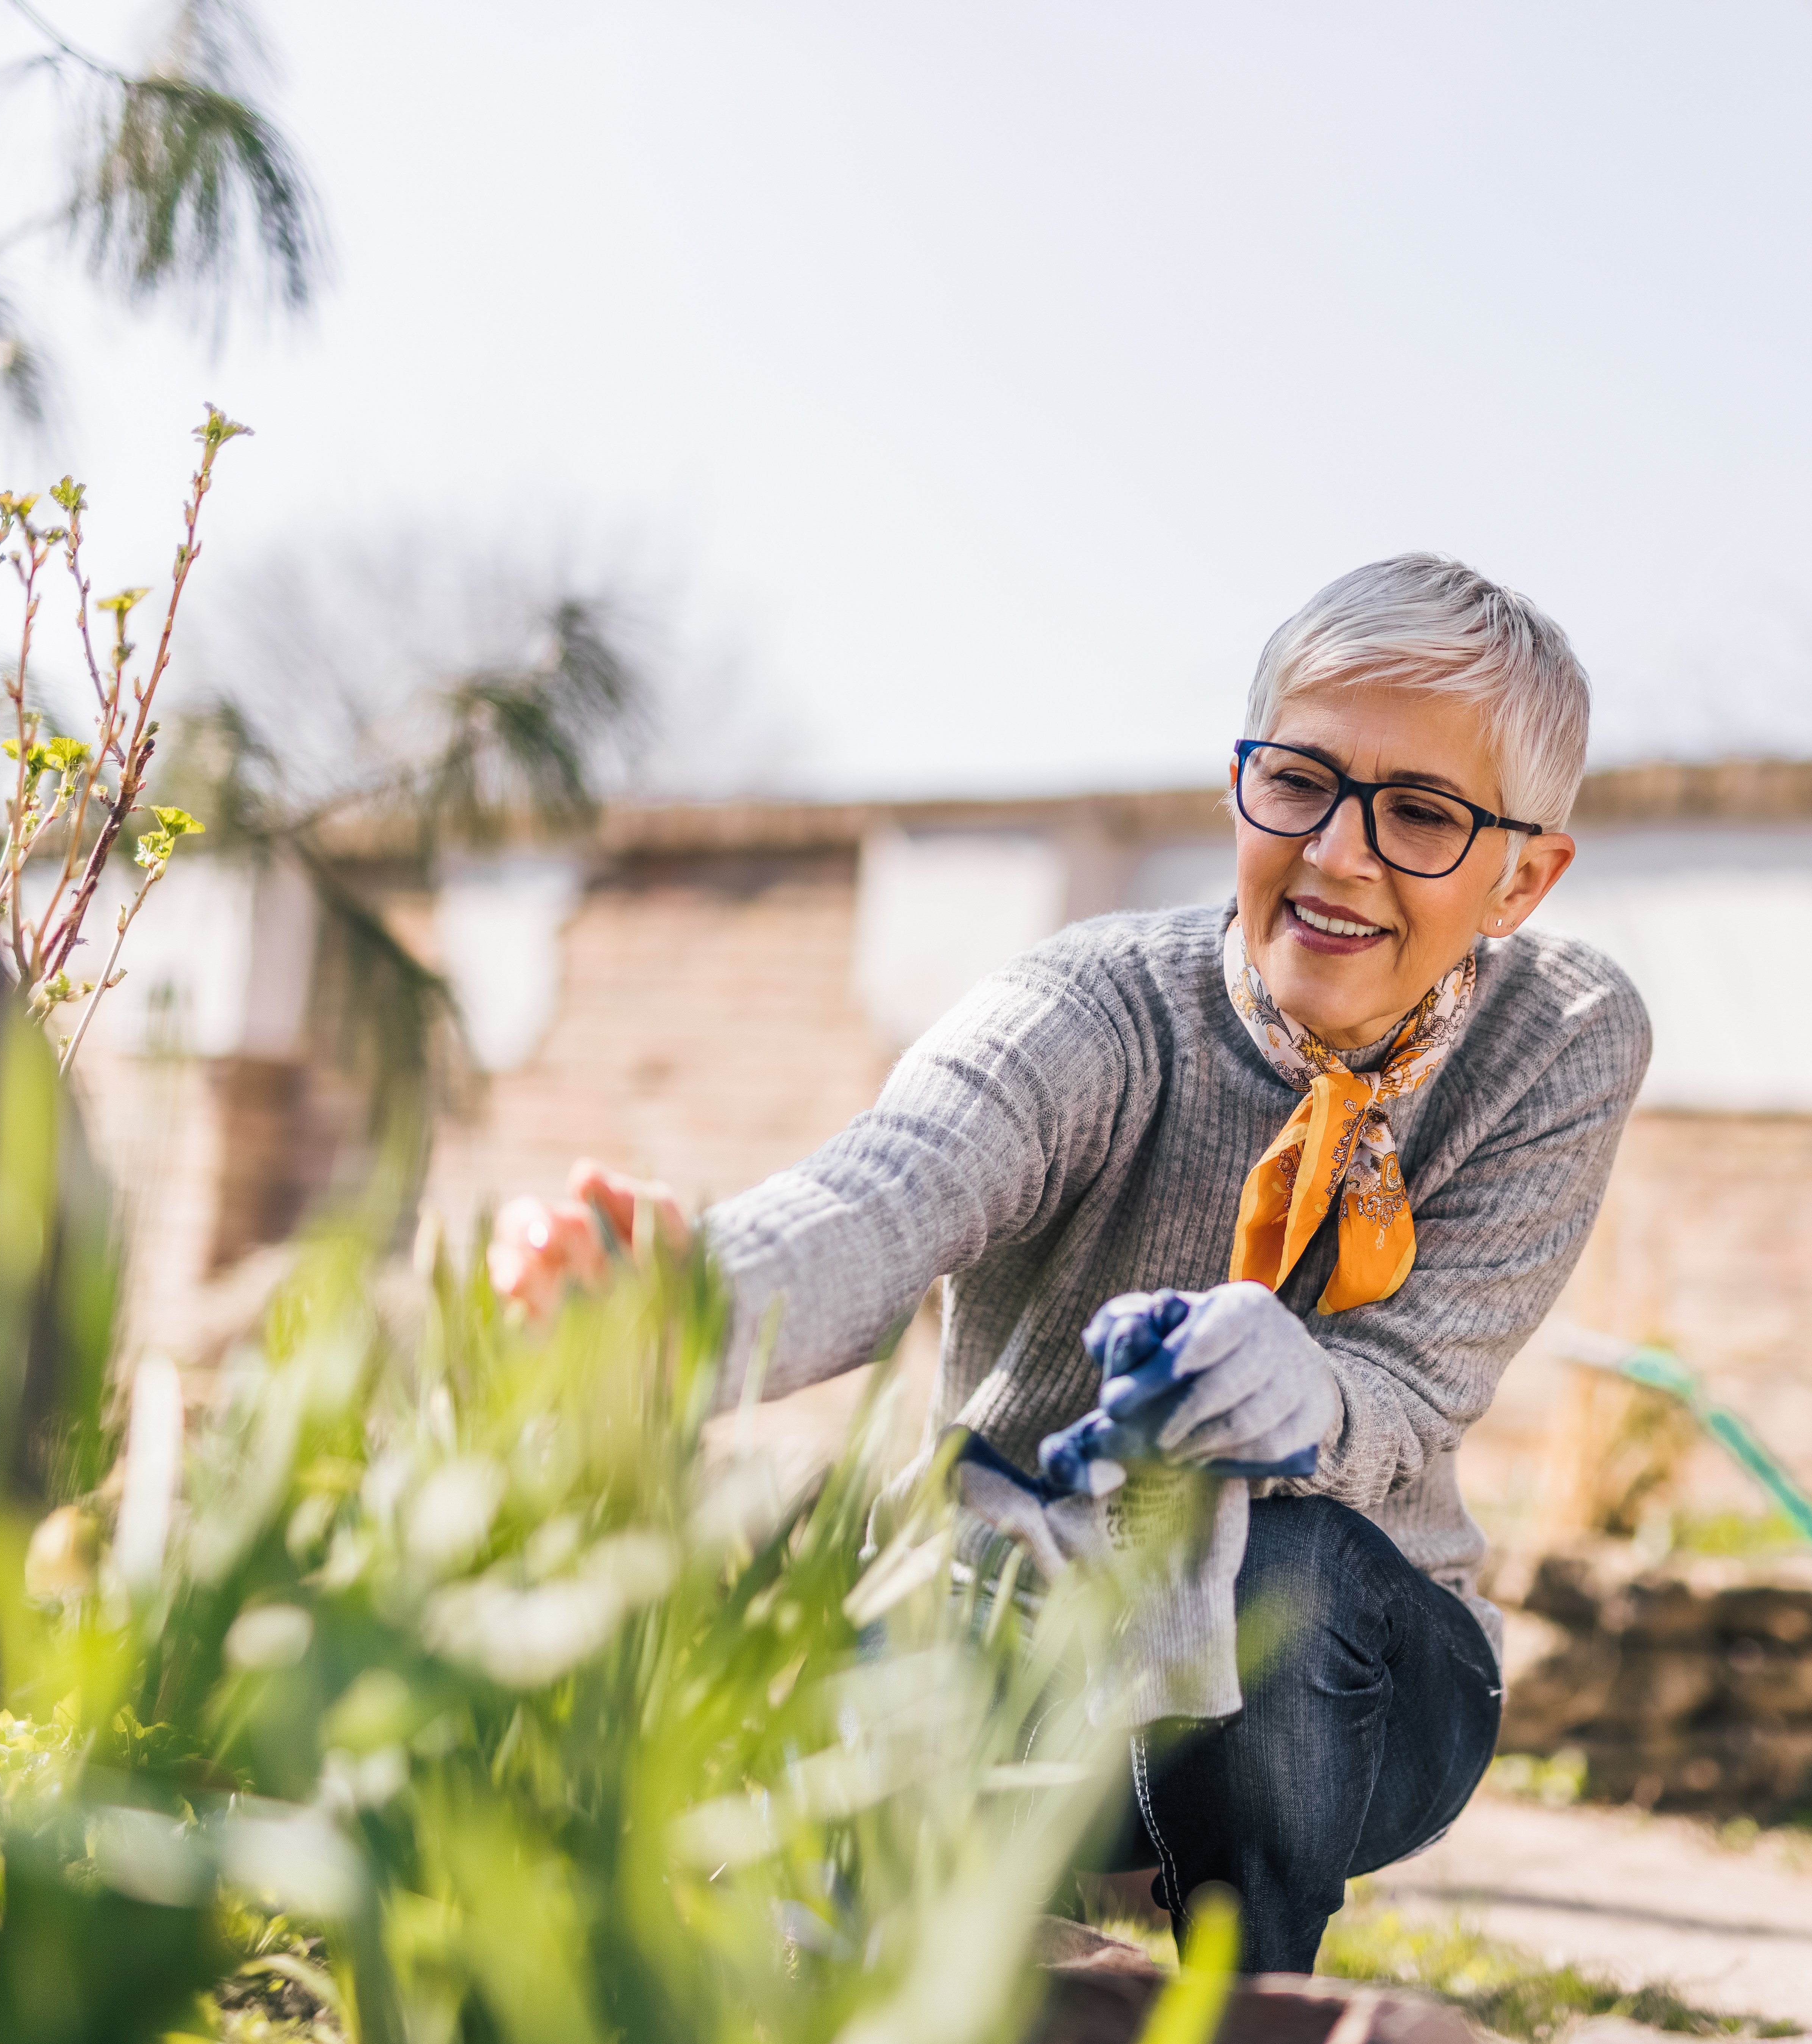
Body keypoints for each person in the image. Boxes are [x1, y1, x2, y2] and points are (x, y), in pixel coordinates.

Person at [489, 555, 1651, 1973]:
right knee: (821, 1607)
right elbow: (883, 1195)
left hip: (1358, 1687)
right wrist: (672, 1303)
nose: (1338, 852)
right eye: (1299, 782)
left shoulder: (1560, 1040)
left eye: (1419, 815)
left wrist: (1307, 1401)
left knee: (1279, 1567)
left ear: (1522, 875)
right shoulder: (1099, 1014)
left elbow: (1415, 1390)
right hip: (1020, 1637)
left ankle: (1252, 1989)